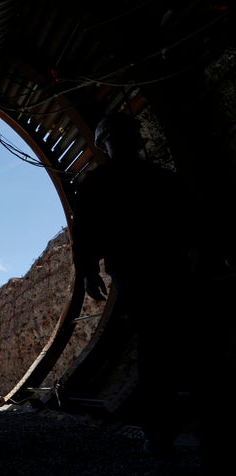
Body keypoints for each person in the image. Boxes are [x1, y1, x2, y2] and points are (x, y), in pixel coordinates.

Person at [71, 112, 198, 458]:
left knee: (155, 343)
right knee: (176, 339)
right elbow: (192, 222)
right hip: (166, 267)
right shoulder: (161, 179)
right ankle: (169, 429)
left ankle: (158, 434)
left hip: (136, 271)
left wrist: (89, 271)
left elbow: (84, 233)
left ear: (104, 143)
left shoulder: (99, 183)